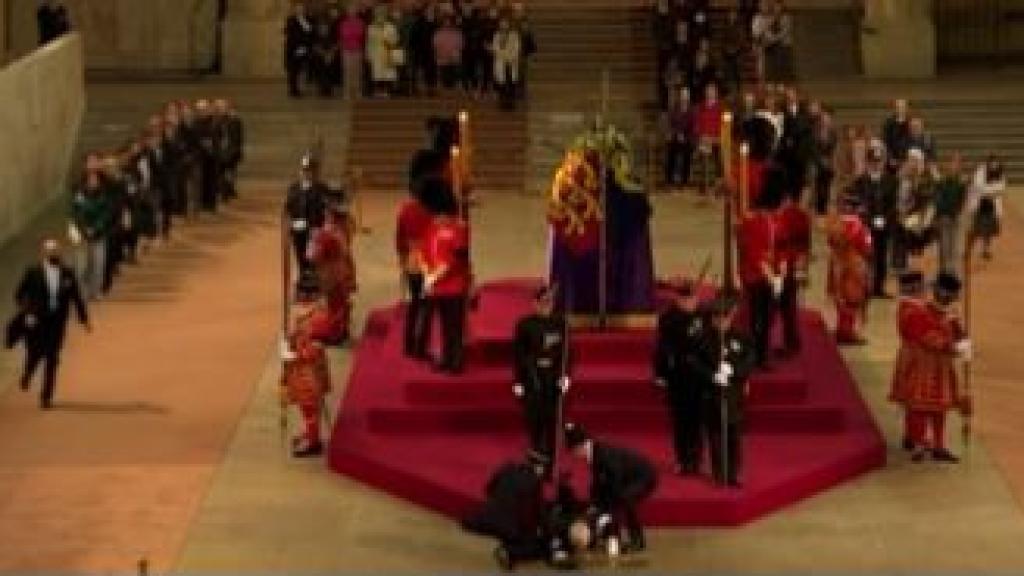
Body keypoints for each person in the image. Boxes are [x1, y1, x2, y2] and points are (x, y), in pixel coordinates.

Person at [888, 273, 972, 462]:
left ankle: (939, 445)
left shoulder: (944, 312)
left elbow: (956, 332)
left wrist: (964, 341)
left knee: (939, 407)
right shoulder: (914, 311)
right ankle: (918, 443)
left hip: (940, 366)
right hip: (921, 365)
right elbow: (927, 337)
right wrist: (953, 346)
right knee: (920, 406)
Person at [10, 239, 90, 409]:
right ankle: (27, 374)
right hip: (37, 321)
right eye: (50, 250)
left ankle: (46, 397)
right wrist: (28, 313)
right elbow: (19, 295)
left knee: (52, 358)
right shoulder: (33, 272)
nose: (54, 253)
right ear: (43, 253)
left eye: (56, 250)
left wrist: (84, 319)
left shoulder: (68, 273)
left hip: (57, 322)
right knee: (35, 354)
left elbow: (76, 297)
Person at [692, 293, 757, 487]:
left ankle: (734, 472)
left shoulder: (741, 337)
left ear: (730, 318)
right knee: (716, 435)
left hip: (734, 393)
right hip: (712, 394)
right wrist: (712, 375)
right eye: (717, 318)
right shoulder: (703, 339)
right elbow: (694, 363)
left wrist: (736, 371)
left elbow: (750, 359)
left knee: (734, 434)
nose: (721, 322)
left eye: (725, 318)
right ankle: (720, 473)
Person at [563, 423, 657, 552]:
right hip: (626, 477)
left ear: (580, 447)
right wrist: (595, 502)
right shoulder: (593, 453)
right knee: (608, 501)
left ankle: (637, 540)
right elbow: (598, 481)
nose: (574, 455)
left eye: (573, 451)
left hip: (643, 476)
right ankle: (610, 534)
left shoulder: (603, 454)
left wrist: (606, 507)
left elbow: (615, 480)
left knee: (625, 499)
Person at [513, 285, 570, 476]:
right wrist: (518, 382)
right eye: (543, 302)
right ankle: (536, 459)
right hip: (533, 381)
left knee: (553, 423)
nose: (547, 306)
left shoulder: (560, 323)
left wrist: (567, 376)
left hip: (554, 380)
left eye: (550, 302)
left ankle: (551, 464)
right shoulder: (524, 325)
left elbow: (567, 354)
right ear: (534, 303)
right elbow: (518, 356)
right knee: (535, 422)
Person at [653, 278, 708, 474]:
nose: (689, 303)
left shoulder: (704, 315)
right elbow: (661, 348)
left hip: (701, 376)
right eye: (685, 299)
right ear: (677, 299)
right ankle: (682, 459)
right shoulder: (668, 318)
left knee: (698, 420)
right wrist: (660, 373)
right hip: (678, 376)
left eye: (692, 298)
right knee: (681, 421)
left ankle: (696, 459)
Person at [462, 456, 549, 571]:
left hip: (486, 519)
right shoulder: (534, 482)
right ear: (539, 468)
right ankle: (510, 551)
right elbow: (529, 515)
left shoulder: (506, 468)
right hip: (509, 528)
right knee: (540, 546)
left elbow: (488, 489)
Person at [738, 167, 784, 368]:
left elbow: (781, 247)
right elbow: (754, 253)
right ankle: (755, 355)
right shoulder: (753, 221)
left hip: (769, 276)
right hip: (756, 277)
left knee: (767, 318)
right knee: (756, 319)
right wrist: (770, 276)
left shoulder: (774, 220)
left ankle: (761, 352)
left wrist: (780, 272)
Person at [422, 206, 471, 374]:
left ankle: (456, 362)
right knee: (444, 325)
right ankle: (446, 358)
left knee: (455, 327)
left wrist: (433, 277)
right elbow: (425, 252)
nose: (435, 219)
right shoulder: (432, 229)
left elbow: (455, 260)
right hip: (438, 288)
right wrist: (427, 275)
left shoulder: (459, 230)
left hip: (454, 287)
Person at [279, 303, 331, 458]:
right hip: (302, 376)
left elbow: (309, 354)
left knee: (310, 412)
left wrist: (290, 354)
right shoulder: (307, 324)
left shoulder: (316, 336)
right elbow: (297, 339)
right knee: (306, 410)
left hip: (309, 378)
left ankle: (313, 442)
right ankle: (310, 434)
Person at [850, 146, 899, 298]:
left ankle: (878, 287)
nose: (876, 164)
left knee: (882, 258)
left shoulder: (891, 181)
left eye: (878, 161)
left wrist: (885, 219)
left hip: (884, 225)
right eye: (873, 161)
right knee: (866, 257)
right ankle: (864, 287)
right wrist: (869, 219)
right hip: (866, 226)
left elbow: (892, 204)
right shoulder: (860, 182)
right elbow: (858, 202)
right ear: (868, 162)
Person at [307, 202, 356, 345]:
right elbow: (347, 253)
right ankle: (342, 330)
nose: (324, 216)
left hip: (330, 273)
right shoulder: (343, 231)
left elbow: (313, 256)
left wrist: (312, 240)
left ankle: (336, 334)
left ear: (331, 216)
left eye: (326, 214)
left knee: (334, 304)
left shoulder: (326, 234)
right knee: (341, 302)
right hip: (342, 269)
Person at [826, 201, 873, 344]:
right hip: (854, 264)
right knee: (852, 299)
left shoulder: (835, 224)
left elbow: (830, 241)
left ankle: (841, 328)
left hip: (836, 263)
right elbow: (867, 247)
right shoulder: (860, 226)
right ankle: (847, 332)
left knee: (840, 296)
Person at [773, 187, 811, 356]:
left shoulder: (796, 216)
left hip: (784, 265)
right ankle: (790, 341)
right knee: (786, 306)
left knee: (786, 305)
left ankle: (790, 341)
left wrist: (801, 267)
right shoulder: (797, 215)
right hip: (781, 264)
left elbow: (803, 243)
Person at [285, 154, 329, 301]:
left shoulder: (321, 188)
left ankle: (314, 287)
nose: (306, 173)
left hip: (314, 230)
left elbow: (327, 206)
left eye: (309, 170)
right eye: (304, 170)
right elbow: (289, 207)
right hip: (298, 230)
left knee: (313, 259)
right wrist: (289, 222)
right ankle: (303, 287)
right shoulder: (294, 188)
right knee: (301, 258)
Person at [70, 154, 113, 301]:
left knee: (98, 262)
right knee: (81, 265)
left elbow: (108, 208)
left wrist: (97, 226)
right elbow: (75, 209)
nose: (93, 165)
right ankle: (82, 292)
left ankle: (96, 291)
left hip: (100, 230)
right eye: (90, 162)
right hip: (81, 231)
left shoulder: (107, 184)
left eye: (95, 161)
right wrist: (82, 227)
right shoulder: (77, 185)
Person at [932, 153, 967, 274]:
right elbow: (938, 200)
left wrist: (957, 213)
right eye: (953, 163)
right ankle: (944, 273)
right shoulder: (942, 181)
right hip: (944, 218)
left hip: (956, 218)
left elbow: (962, 201)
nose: (955, 166)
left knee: (955, 248)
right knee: (944, 248)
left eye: (958, 163)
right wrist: (940, 215)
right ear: (948, 165)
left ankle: (952, 273)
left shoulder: (962, 182)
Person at [968, 156, 1006, 261]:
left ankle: (986, 249)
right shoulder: (980, 172)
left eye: (996, 166)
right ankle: (968, 248)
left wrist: (990, 191)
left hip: (991, 206)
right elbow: (978, 187)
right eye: (992, 165)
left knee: (989, 231)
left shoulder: (1000, 174)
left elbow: (1001, 188)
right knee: (975, 230)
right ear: (988, 164)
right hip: (979, 204)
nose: (994, 167)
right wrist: (990, 191)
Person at [662, 86, 695, 190]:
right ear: (680, 96)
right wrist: (675, 134)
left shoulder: (692, 110)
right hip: (675, 137)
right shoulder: (674, 109)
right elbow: (670, 124)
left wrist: (685, 136)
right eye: (682, 95)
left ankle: (684, 181)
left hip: (687, 138)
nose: (684, 97)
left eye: (686, 95)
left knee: (687, 152)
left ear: (688, 97)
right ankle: (669, 180)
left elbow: (693, 127)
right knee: (671, 151)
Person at [366, 5, 400, 96]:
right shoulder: (371, 27)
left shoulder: (390, 27)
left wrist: (388, 40)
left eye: (382, 14)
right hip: (376, 53)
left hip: (387, 52)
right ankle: (378, 91)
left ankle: (388, 91)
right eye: (378, 14)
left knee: (388, 74)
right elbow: (369, 42)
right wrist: (368, 54)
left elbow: (395, 39)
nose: (380, 16)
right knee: (377, 74)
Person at [811, 107, 839, 215]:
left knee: (826, 187)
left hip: (829, 163)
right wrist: (820, 160)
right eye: (823, 117)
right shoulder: (815, 131)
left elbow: (834, 147)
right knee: (819, 187)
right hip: (817, 163)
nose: (825, 119)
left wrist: (830, 160)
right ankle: (819, 209)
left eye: (827, 117)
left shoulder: (833, 132)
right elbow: (813, 148)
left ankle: (823, 209)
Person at [492, 17, 522, 110]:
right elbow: (495, 48)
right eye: (502, 23)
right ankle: (503, 103)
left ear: (508, 24)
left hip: (511, 62)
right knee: (502, 85)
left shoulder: (514, 35)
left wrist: (509, 56)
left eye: (505, 23)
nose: (504, 25)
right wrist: (504, 55)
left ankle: (511, 104)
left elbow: (517, 48)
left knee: (511, 84)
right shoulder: (497, 35)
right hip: (501, 63)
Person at [216, 99, 244, 202]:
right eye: (220, 107)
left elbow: (238, 138)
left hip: (232, 151)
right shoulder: (216, 121)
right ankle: (224, 191)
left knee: (230, 172)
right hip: (220, 151)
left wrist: (235, 151)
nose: (221, 109)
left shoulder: (235, 121)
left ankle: (229, 189)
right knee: (222, 173)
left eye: (223, 107)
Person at [285, 2, 314, 98]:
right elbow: (292, 34)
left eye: (302, 8)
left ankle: (301, 88)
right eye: (298, 9)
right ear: (295, 10)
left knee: (302, 70)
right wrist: (298, 47)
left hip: (304, 48)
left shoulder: (308, 19)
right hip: (293, 49)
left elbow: (310, 33)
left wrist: (305, 46)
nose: (300, 10)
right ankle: (293, 90)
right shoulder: (291, 20)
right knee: (293, 71)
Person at [339, 3, 367, 100]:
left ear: (356, 11)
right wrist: (352, 34)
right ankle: (347, 92)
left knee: (357, 72)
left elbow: (360, 34)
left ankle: (357, 92)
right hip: (347, 50)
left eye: (354, 10)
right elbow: (344, 35)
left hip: (357, 49)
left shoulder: (360, 22)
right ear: (347, 12)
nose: (352, 12)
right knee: (347, 72)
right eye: (350, 10)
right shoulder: (344, 23)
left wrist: (352, 34)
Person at [311, 17, 340, 97]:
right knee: (320, 72)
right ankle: (322, 89)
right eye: (322, 27)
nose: (324, 28)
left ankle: (329, 89)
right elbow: (314, 45)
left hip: (330, 56)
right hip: (319, 56)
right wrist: (323, 54)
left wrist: (331, 53)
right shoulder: (316, 35)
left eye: (325, 26)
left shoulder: (332, 35)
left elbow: (336, 44)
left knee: (330, 73)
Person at [433, 15, 464, 91]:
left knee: (455, 76)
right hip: (443, 58)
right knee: (444, 77)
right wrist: (442, 53)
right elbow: (436, 45)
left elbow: (461, 44)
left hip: (454, 58)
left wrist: (454, 53)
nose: (447, 24)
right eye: (445, 22)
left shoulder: (457, 33)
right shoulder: (439, 33)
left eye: (449, 22)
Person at [881, 98, 911, 174]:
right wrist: (890, 157)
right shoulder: (888, 123)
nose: (900, 109)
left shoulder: (911, 122)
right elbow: (885, 142)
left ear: (906, 108)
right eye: (897, 107)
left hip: (908, 157)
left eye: (902, 107)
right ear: (894, 109)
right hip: (892, 158)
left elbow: (913, 140)